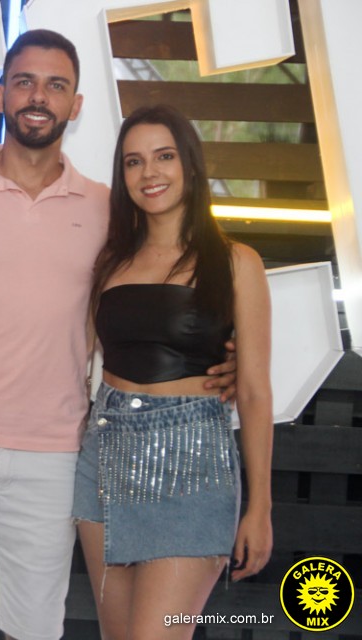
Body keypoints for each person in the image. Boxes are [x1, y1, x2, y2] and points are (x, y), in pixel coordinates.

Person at [0, 30, 236, 640]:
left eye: (55, 85)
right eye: (25, 82)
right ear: (0, 96)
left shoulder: (108, 209)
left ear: (76, 104)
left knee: (34, 629)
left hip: (56, 450)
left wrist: (225, 353)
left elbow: (156, 297)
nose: (38, 96)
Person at [72, 104, 273, 639]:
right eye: (133, 161)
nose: (149, 173)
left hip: (194, 466)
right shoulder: (110, 262)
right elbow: (74, 352)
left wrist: (260, 508)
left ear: (189, 164)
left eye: (163, 156)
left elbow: (254, 392)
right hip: (104, 458)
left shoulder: (237, 262)